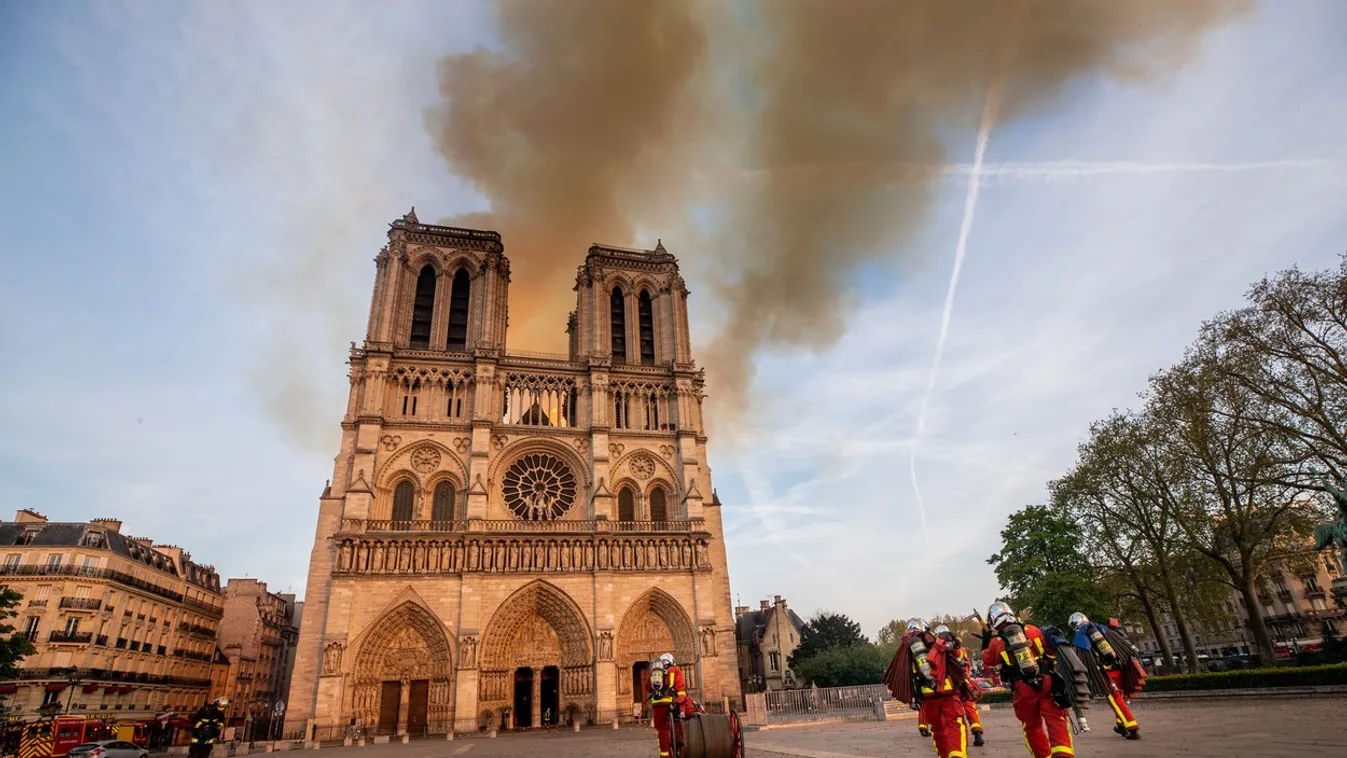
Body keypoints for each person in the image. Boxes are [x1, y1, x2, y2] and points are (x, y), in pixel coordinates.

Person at [980, 603, 1074, 758]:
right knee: (1056, 719)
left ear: (993, 621)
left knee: (1031, 727)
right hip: (1046, 682)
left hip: (1022, 689)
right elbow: (1050, 651)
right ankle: (1063, 754)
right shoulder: (1032, 630)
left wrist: (986, 641)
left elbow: (988, 659)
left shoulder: (997, 641)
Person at [883, 618, 971, 758]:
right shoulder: (935, 641)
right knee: (956, 724)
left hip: (927, 697)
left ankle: (943, 755)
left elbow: (904, 675)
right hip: (947, 692)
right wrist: (956, 645)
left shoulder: (906, 651)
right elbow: (956, 657)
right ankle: (957, 755)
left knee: (937, 729)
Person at [1069, 612, 1144, 740]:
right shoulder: (1102, 629)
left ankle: (1132, 727)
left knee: (1115, 701)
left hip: (1104, 674)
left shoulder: (1081, 636)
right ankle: (1121, 725)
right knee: (1119, 697)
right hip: (1119, 669)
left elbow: (1081, 657)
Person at [934, 624, 984, 747]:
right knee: (970, 708)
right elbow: (967, 666)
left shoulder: (938, 650)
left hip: (951, 685)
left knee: (951, 712)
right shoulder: (960, 648)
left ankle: (954, 736)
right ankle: (977, 732)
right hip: (964, 682)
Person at [649, 653, 688, 758]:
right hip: (670, 703)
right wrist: (680, 701)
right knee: (676, 725)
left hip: (657, 705)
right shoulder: (675, 671)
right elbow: (681, 688)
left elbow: (648, 687)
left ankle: (665, 754)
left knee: (661, 731)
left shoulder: (655, 672)